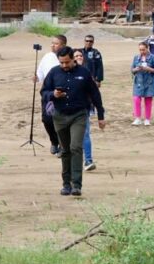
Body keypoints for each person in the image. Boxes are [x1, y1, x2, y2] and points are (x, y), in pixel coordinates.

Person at [40, 47, 106, 196]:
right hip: (60, 116)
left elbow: (95, 94)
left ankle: (76, 185)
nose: (64, 65)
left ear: (73, 59)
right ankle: (66, 184)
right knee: (65, 150)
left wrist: (101, 115)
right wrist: (53, 94)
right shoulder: (54, 72)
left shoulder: (84, 73)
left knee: (75, 147)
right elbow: (43, 92)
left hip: (79, 115)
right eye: (61, 62)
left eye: (67, 62)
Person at [35, 35, 66, 157]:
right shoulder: (47, 56)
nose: (53, 45)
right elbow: (40, 73)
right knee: (47, 119)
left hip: (62, 92)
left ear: (63, 45)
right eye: (52, 43)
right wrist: (36, 77)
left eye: (56, 43)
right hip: (49, 92)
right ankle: (54, 141)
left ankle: (63, 145)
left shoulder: (67, 56)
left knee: (61, 120)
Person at [73, 49, 97, 171]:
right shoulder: (65, 72)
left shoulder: (86, 71)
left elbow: (93, 91)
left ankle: (88, 160)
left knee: (85, 133)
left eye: (80, 55)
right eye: (76, 56)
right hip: (69, 109)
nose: (79, 57)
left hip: (84, 108)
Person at [131, 42, 154, 126]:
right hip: (139, 81)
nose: (141, 51)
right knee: (136, 99)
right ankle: (138, 118)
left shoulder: (153, 57)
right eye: (140, 50)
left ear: (147, 48)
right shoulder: (136, 57)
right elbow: (132, 70)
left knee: (148, 100)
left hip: (149, 82)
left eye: (143, 49)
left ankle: (147, 119)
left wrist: (148, 68)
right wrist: (136, 69)